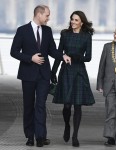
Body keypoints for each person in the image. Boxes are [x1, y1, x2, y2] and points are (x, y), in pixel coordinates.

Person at [10, 5, 71, 147]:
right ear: (39, 14)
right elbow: (14, 52)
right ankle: (29, 137)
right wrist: (30, 58)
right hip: (28, 74)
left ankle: (40, 137)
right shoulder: (22, 30)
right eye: (47, 15)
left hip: (44, 74)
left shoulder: (48, 31)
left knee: (40, 105)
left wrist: (63, 56)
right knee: (28, 105)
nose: (48, 18)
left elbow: (52, 50)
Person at [51, 11, 95, 147]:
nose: (73, 22)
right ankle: (67, 125)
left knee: (77, 105)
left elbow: (88, 57)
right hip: (66, 71)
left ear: (82, 22)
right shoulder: (65, 34)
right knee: (67, 105)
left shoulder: (87, 36)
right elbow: (59, 53)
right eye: (72, 19)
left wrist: (74, 57)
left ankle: (75, 136)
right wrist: (53, 72)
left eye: (76, 20)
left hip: (79, 72)